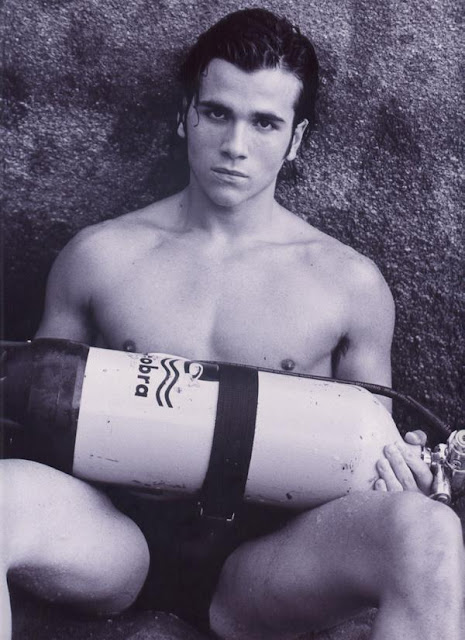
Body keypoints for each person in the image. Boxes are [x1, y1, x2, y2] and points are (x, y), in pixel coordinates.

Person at [1, 8, 463, 640]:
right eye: (217, 113)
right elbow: (40, 420)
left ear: (295, 139)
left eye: (265, 122)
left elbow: (368, 468)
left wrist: (404, 475)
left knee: (429, 532)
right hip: (111, 535)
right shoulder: (99, 257)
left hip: (268, 560)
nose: (235, 145)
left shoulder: (348, 285)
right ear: (185, 114)